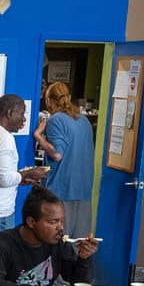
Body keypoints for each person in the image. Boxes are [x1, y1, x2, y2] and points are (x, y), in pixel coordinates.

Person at [0, 94, 48, 256]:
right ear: (10, 113)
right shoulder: (4, 138)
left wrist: (20, 178)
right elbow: (4, 179)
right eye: (22, 114)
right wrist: (29, 173)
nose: (24, 119)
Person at [34, 82, 96, 235]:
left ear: (48, 100)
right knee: (77, 243)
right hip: (83, 189)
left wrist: (38, 137)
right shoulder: (83, 120)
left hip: (61, 191)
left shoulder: (56, 120)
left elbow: (56, 154)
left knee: (57, 241)